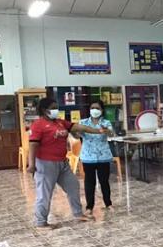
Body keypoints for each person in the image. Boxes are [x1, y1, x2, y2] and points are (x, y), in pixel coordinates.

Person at [27, 98, 110, 230]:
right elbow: (33, 145)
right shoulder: (38, 125)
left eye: (56, 107)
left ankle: (78, 214)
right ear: (44, 110)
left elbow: (79, 127)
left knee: (73, 186)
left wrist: (97, 131)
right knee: (45, 193)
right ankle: (41, 222)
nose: (56, 110)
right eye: (53, 108)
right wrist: (31, 164)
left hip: (62, 163)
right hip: (46, 164)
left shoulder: (60, 122)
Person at [79, 100, 114, 220]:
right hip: (88, 157)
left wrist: (107, 131)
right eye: (92, 107)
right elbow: (76, 135)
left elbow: (111, 135)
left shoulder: (106, 122)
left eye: (97, 108)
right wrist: (74, 132)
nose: (94, 110)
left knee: (104, 181)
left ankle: (108, 203)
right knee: (90, 182)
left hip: (103, 156)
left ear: (102, 110)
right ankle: (89, 207)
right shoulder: (83, 122)